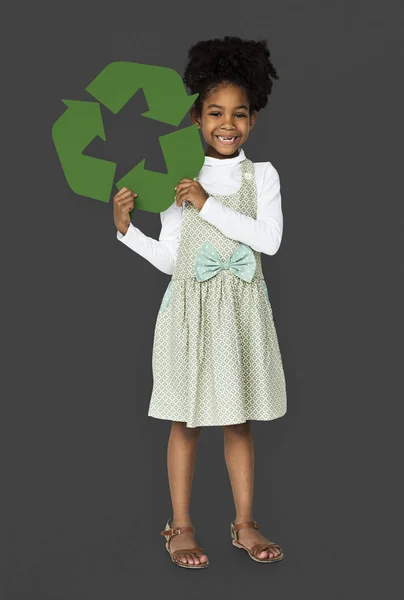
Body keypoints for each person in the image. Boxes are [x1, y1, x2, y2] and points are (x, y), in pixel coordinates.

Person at [113, 35, 287, 569]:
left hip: (240, 313)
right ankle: (181, 526)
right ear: (195, 117)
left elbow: (269, 241)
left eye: (239, 114)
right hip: (190, 314)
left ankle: (244, 523)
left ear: (253, 120)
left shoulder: (264, 176)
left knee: (238, 421)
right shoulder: (175, 176)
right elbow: (174, 260)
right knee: (185, 421)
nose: (227, 124)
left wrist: (208, 204)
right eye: (215, 112)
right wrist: (127, 231)